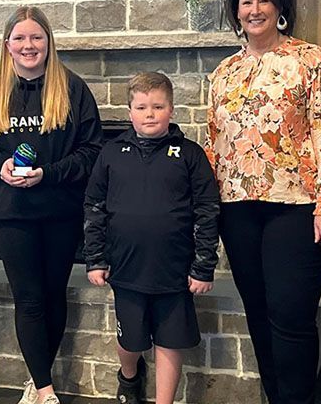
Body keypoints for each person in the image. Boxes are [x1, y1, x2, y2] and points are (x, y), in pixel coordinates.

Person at [204, 0, 321, 404]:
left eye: (263, 0)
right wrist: (206, 211)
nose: (254, 9)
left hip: (301, 208)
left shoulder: (311, 61)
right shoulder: (224, 73)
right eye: (246, 2)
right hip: (237, 210)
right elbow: (213, 142)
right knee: (260, 314)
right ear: (236, 12)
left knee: (291, 316)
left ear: (280, 6)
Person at [0, 6, 103, 404]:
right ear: (7, 45)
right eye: (21, 38)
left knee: (53, 295)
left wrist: (50, 174)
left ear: (48, 43)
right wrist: (1, 165)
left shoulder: (72, 88)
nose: (29, 45)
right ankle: (45, 390)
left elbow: (91, 151)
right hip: (12, 216)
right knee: (28, 299)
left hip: (60, 211)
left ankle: (37, 378)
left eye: (36, 37)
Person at [83, 72, 220, 404]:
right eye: (141, 107)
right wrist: (95, 258)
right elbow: (94, 205)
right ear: (129, 111)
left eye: (157, 106)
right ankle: (129, 375)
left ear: (171, 109)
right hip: (126, 269)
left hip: (174, 271)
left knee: (169, 340)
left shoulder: (190, 155)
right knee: (130, 340)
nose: (149, 114)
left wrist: (203, 266)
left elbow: (208, 209)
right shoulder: (111, 153)